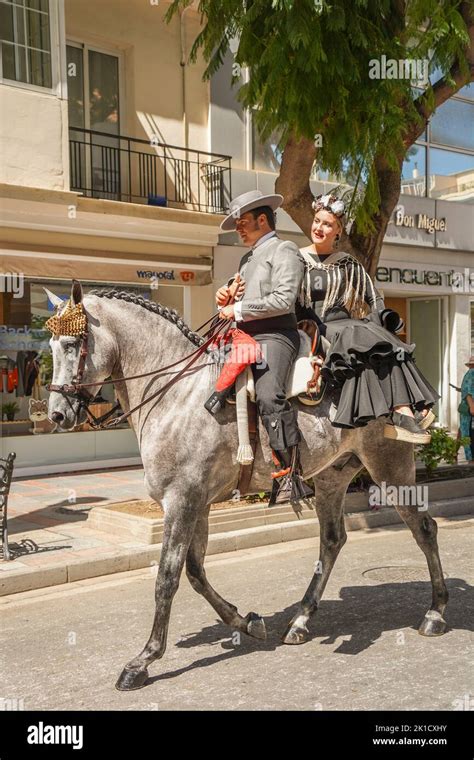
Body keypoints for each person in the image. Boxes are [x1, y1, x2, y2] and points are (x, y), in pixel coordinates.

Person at [295, 194, 439, 444]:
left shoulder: (348, 263)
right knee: (359, 333)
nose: (319, 228)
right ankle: (409, 410)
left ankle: (403, 410)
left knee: (375, 335)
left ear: (338, 230)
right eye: (317, 221)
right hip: (313, 328)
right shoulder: (295, 259)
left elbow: (374, 299)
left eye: (327, 224)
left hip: (346, 325)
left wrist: (382, 321)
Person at [207, 189, 314, 505]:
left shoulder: (285, 250)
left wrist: (237, 310)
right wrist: (227, 296)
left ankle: (288, 476)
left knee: (269, 395)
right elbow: (242, 296)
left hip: (275, 336)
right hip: (242, 336)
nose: (238, 229)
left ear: (262, 219)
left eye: (242, 222)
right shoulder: (247, 258)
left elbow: (283, 300)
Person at [459, 357, 474, 463]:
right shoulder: (471, 373)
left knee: (463, 430)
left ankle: (453, 452)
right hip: (469, 407)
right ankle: (470, 457)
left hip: (469, 407)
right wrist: (472, 406)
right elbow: (468, 392)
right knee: (467, 431)